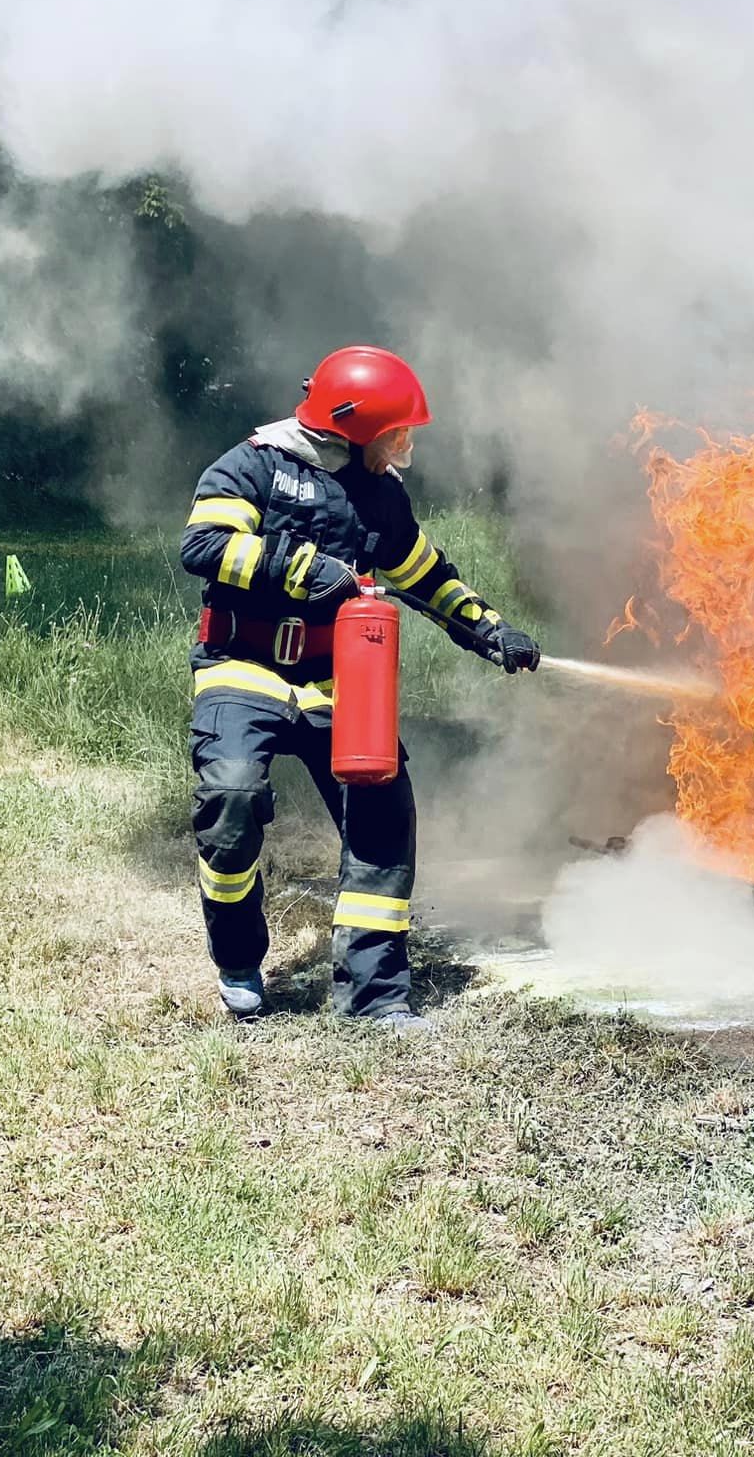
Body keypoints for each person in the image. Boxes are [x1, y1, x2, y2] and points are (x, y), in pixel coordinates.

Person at [179, 345, 540, 1028]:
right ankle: (237, 961)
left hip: (338, 680)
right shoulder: (251, 465)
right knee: (230, 801)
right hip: (242, 667)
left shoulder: (382, 494)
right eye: (398, 432)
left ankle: (373, 1000)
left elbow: (424, 574)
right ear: (355, 426)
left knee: (383, 820)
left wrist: (489, 630)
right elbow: (203, 546)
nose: (406, 445)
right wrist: (301, 568)